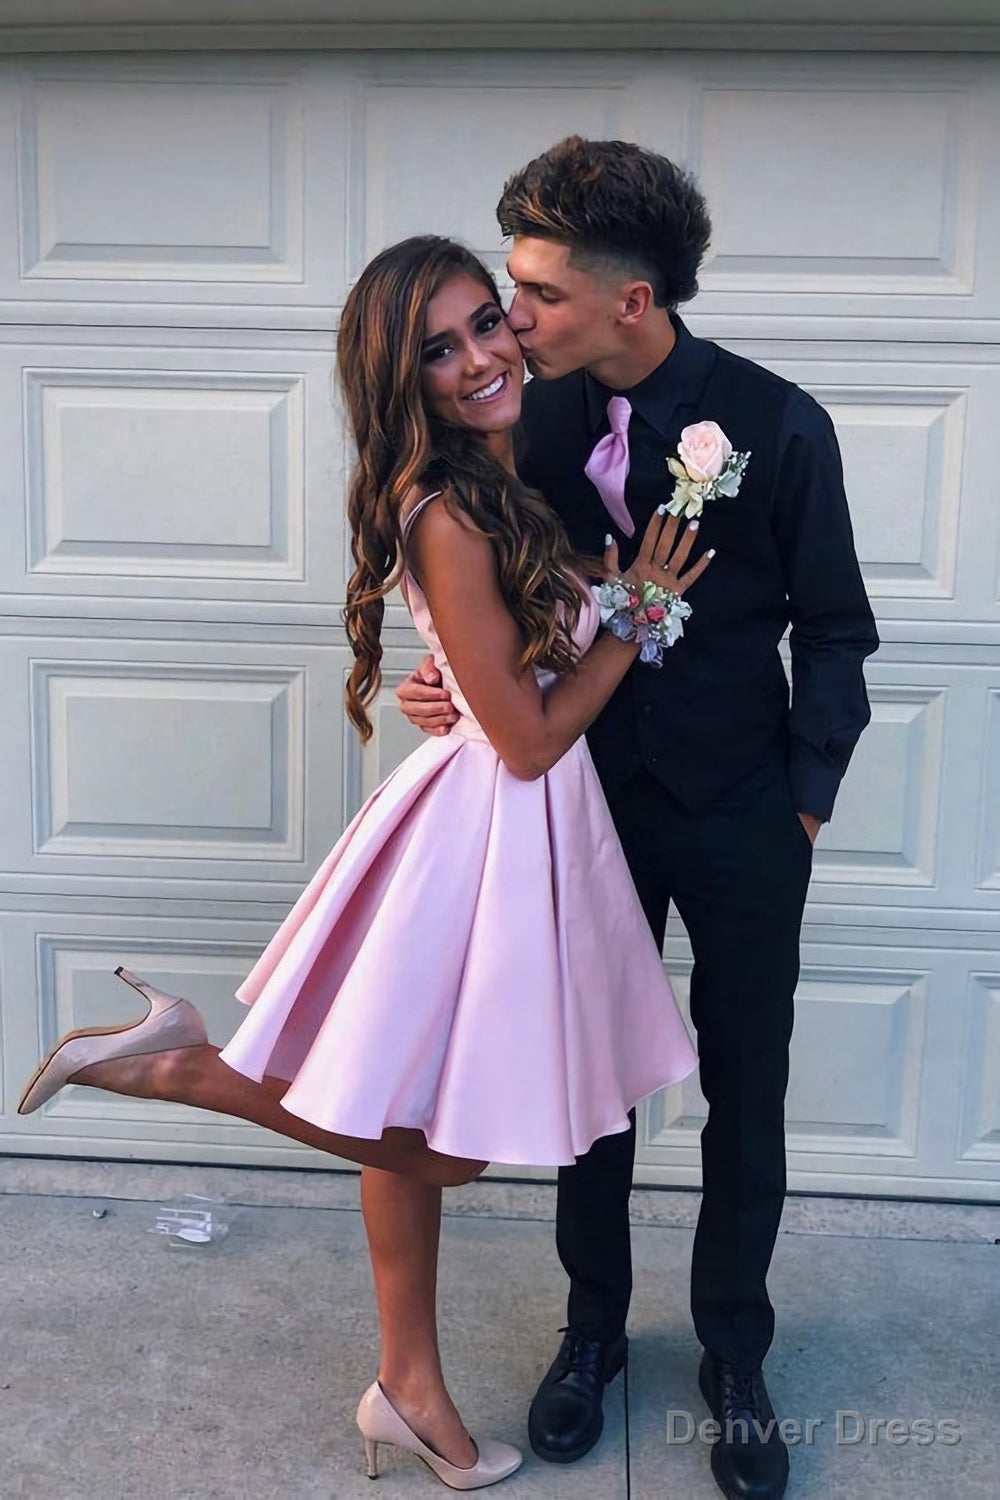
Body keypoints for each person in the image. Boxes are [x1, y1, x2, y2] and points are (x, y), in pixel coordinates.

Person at [18, 235, 709, 1491]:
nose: (480, 357)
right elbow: (530, 737)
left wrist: (556, 622)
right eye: (439, 349)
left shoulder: (501, 474)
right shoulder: (445, 507)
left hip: (510, 821)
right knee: (439, 1145)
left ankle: (409, 1386)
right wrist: (641, 615)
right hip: (489, 829)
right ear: (402, 379)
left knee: (401, 1111)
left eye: (486, 322)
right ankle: (176, 1064)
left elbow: (499, 667)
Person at [396, 139, 880, 1500]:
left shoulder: (780, 425)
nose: (511, 319)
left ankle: (736, 1356)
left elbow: (835, 629)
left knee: (747, 1091)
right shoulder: (522, 423)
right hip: (579, 805)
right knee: (589, 1090)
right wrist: (451, 681)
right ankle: (593, 1333)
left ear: (632, 300)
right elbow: (486, 596)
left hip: (742, 812)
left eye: (537, 294)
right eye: (510, 289)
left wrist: (802, 802)